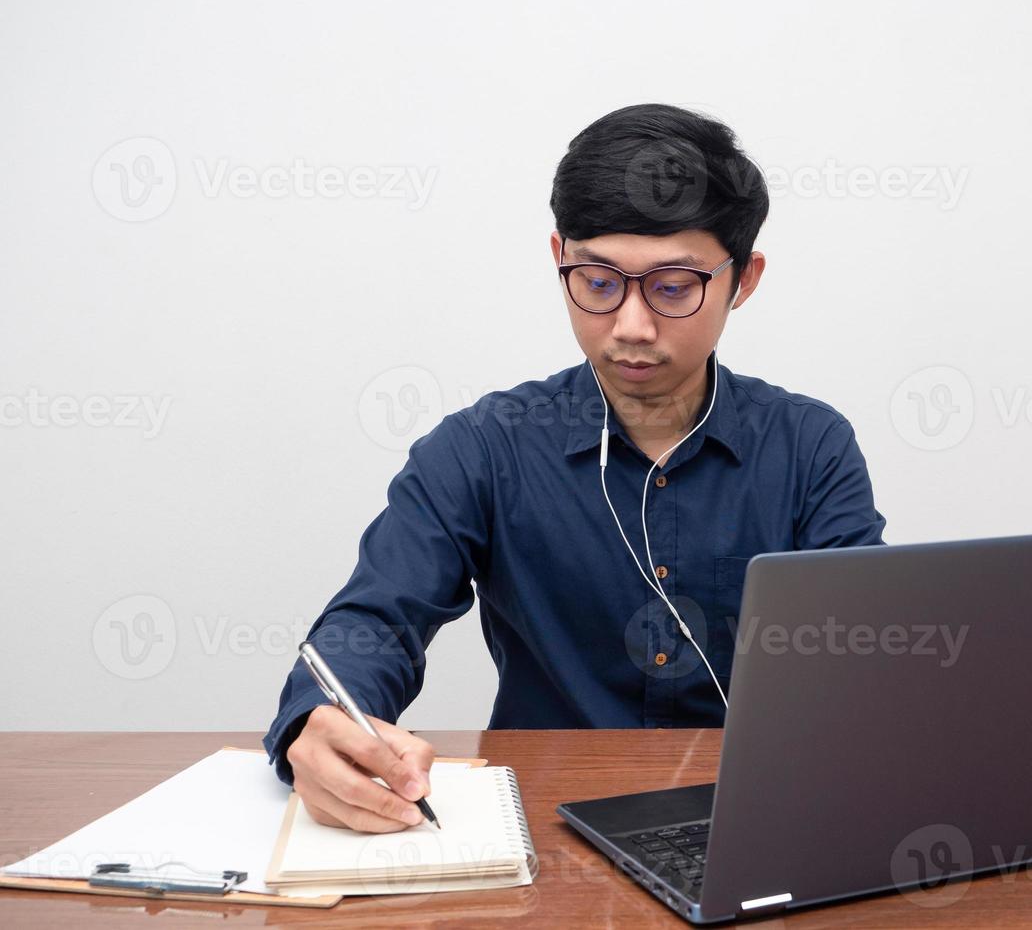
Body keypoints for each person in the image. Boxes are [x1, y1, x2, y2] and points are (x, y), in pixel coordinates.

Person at [263, 103, 889, 832]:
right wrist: (322, 722)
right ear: (558, 256)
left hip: (756, 823)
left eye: (673, 287)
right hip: (541, 828)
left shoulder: (807, 446)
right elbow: (375, 620)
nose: (630, 325)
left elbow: (862, 664)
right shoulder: (484, 448)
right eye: (596, 282)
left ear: (741, 279)